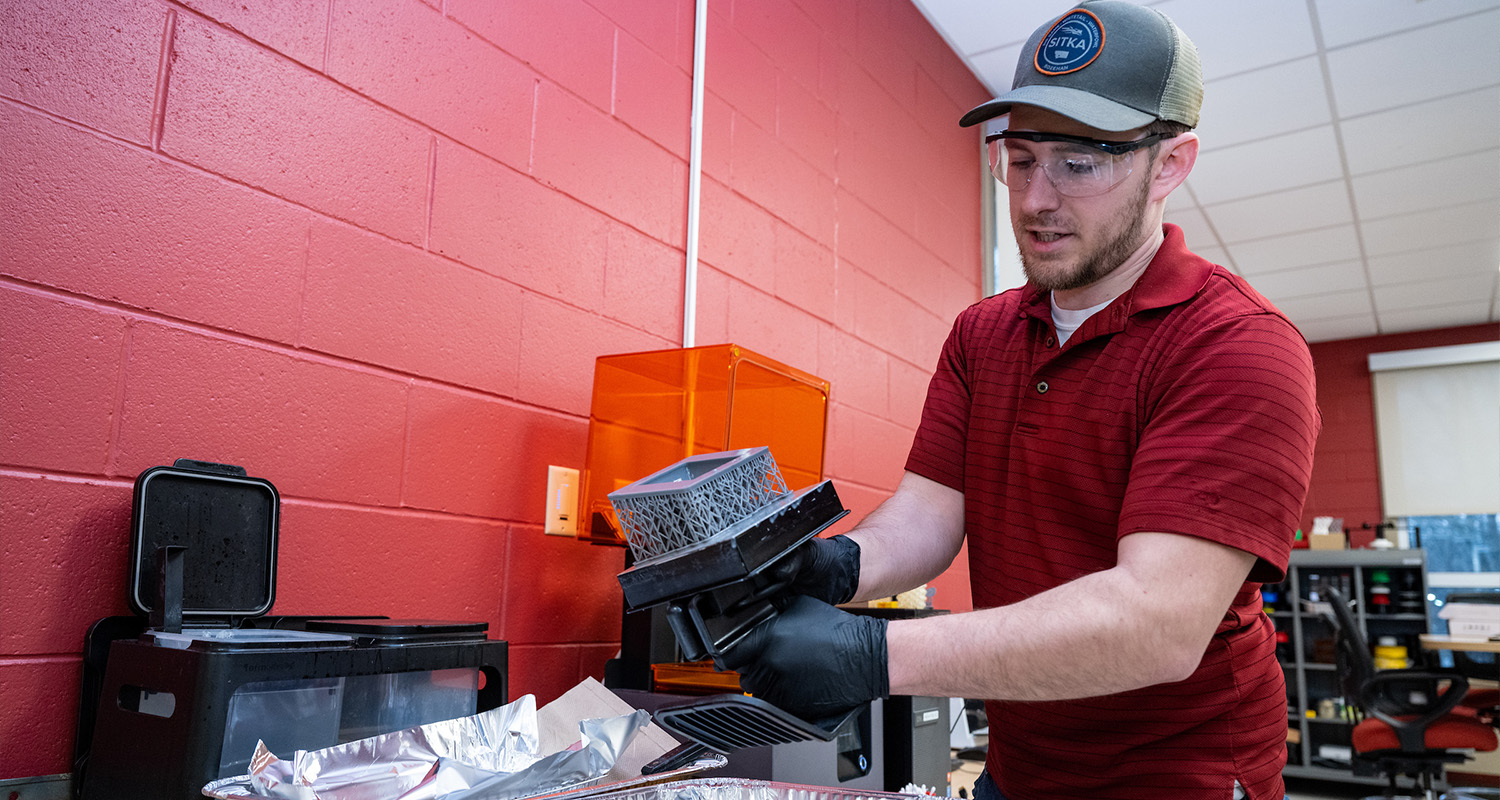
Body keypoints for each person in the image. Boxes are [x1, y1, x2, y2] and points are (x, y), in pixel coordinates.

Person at [718, 2, 1321, 798]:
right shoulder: (983, 334)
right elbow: (928, 518)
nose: (1036, 198)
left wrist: (875, 657)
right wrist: (832, 567)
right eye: (1021, 157)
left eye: (1079, 164)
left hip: (1182, 778)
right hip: (1021, 768)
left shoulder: (1236, 345)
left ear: (1170, 163)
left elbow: (1158, 621)